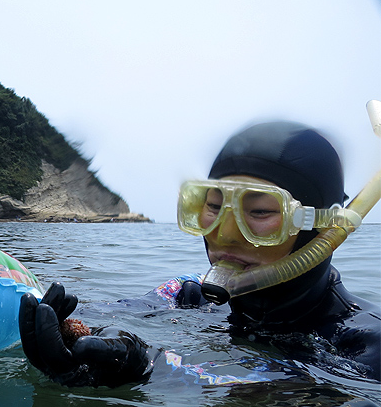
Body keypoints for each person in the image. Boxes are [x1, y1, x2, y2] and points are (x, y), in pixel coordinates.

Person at [20, 121, 380, 387]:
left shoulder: (364, 346)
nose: (225, 234)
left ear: (321, 229)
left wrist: (148, 368)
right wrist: (82, 335)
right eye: (213, 207)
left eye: (258, 212)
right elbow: (108, 313)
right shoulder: (188, 296)